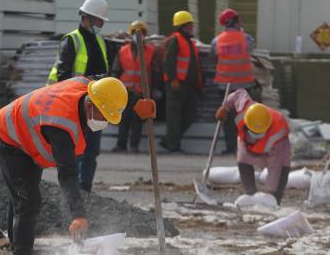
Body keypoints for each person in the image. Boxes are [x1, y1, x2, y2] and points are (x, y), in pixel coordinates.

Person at [0, 77, 155, 255]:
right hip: (10, 138)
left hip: (28, 129)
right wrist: (78, 215)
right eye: (104, 115)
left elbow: (109, 85)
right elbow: (67, 174)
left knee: (22, 197)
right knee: (27, 201)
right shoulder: (62, 125)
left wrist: (136, 103)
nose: (104, 121)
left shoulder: (89, 86)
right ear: (89, 105)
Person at [47, 0, 111, 194]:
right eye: (99, 20)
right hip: (74, 105)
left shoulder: (99, 41)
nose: (101, 24)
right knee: (74, 151)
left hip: (95, 105)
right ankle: (70, 193)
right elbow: (62, 75)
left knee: (91, 151)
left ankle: (85, 191)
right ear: (87, 18)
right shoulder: (72, 40)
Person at [216, 90, 290, 206]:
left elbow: (275, 168)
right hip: (247, 141)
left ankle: (274, 201)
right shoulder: (246, 108)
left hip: (274, 148)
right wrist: (225, 107)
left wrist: (268, 194)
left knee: (282, 169)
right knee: (243, 160)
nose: (256, 136)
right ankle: (251, 193)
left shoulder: (277, 135)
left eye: (259, 133)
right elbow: (238, 93)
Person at [210, 8, 262, 155]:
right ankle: (246, 147)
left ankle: (230, 148)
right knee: (246, 118)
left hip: (224, 85)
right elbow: (251, 48)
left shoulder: (217, 40)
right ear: (235, 21)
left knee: (227, 119)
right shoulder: (246, 38)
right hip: (244, 85)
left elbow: (213, 55)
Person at [111, 20, 161, 153]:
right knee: (123, 119)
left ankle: (134, 146)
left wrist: (154, 89)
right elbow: (116, 70)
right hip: (125, 91)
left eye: (142, 33)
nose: (138, 35)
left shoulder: (151, 51)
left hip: (141, 92)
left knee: (137, 120)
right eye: (135, 32)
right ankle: (120, 145)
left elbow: (155, 72)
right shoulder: (122, 50)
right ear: (131, 34)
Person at [160, 10, 203, 153]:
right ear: (180, 26)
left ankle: (168, 140)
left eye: (191, 25)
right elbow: (168, 62)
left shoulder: (189, 42)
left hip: (188, 86)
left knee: (190, 115)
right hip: (176, 85)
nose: (191, 28)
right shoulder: (175, 40)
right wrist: (173, 79)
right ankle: (173, 146)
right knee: (175, 116)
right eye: (188, 26)